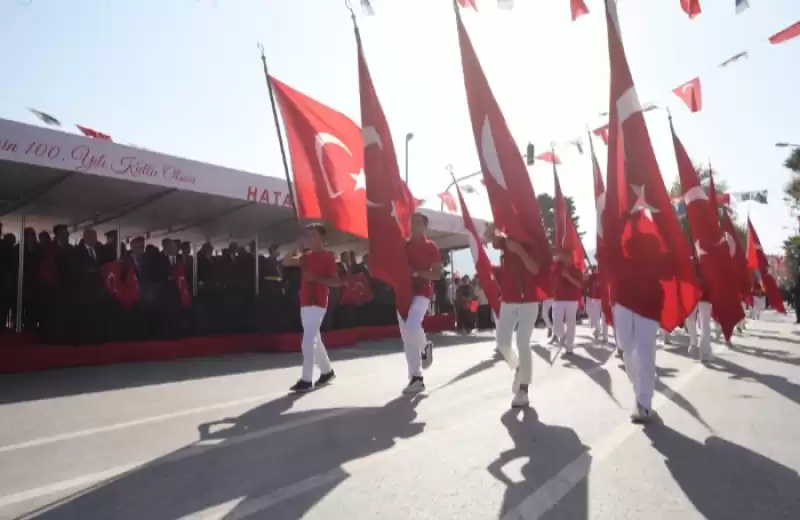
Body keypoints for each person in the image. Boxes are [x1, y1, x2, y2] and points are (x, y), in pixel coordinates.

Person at [486, 223, 540, 409]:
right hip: (508, 299)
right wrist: (495, 225)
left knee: (523, 343)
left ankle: (523, 390)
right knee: (502, 343)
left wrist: (520, 251)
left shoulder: (533, 243)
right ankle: (518, 367)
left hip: (529, 300)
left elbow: (534, 269)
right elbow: (487, 236)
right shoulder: (505, 241)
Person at [282, 224, 340, 393]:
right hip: (305, 301)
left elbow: (335, 281)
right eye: (307, 235)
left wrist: (316, 278)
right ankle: (327, 371)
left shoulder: (328, 256)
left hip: (318, 302)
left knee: (308, 340)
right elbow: (286, 261)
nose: (309, 238)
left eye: (313, 235)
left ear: (322, 238)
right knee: (315, 338)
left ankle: (306, 379)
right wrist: (295, 244)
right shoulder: (305, 257)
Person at [400, 213, 442, 395]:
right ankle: (416, 377)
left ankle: (424, 350)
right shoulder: (404, 246)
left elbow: (436, 275)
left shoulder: (431, 247)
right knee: (407, 335)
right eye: (412, 221)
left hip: (422, 293)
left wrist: (416, 273)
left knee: (411, 326)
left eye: (418, 222)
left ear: (425, 226)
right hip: (403, 295)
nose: (413, 225)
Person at [552, 248, 583, 357]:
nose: (564, 258)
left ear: (571, 257)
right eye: (563, 256)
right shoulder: (556, 268)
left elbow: (580, 285)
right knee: (556, 323)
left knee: (571, 324)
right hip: (558, 299)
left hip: (571, 300)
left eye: (567, 256)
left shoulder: (576, 269)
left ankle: (569, 347)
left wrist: (568, 277)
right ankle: (562, 336)